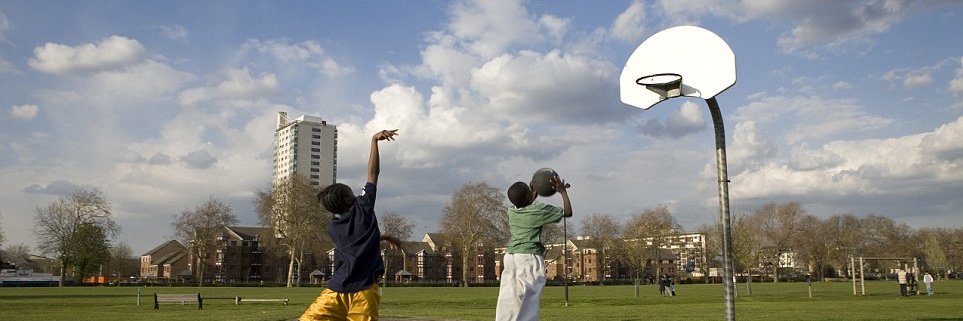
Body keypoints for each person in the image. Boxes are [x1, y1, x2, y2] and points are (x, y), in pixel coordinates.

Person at [299, 129, 398, 321]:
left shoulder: (333, 227)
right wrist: (374, 140)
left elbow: (356, 243)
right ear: (347, 198)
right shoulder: (364, 207)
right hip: (365, 290)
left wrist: (381, 237)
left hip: (337, 289)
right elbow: (373, 173)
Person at [495, 172, 572, 321]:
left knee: (509, 296)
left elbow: (525, 204)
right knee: (531, 294)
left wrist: (531, 193)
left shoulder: (511, 211)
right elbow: (567, 212)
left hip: (511, 257)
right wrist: (563, 192)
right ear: (528, 197)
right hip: (528, 257)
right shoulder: (538, 210)